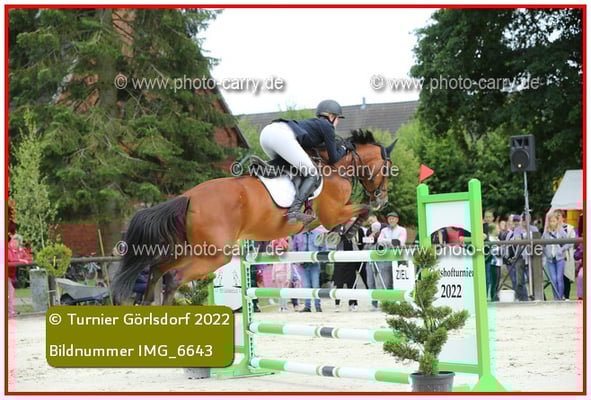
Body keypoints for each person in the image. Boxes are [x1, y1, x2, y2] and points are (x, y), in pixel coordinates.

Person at [253, 99, 348, 223]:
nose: (337, 122)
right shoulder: (327, 126)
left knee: (289, 166)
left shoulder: (313, 125)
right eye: (338, 118)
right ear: (331, 116)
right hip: (281, 135)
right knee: (313, 173)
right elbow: (333, 158)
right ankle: (294, 210)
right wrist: (344, 148)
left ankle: (260, 168)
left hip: (266, 133)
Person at [291, 226, 328, 312]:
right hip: (302, 265)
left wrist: (319, 259)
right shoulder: (298, 234)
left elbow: (323, 248)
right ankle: (307, 306)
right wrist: (297, 260)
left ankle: (318, 306)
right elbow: (294, 249)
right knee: (306, 286)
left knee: (316, 285)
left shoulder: (318, 234)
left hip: (314, 264)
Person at [333, 218, 365, 312]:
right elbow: (332, 241)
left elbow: (360, 242)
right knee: (339, 282)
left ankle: (353, 303)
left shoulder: (355, 228)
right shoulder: (336, 228)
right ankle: (337, 303)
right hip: (339, 258)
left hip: (351, 257)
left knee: (352, 282)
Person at [510, 215, 539, 301]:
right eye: (523, 220)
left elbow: (537, 239)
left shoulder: (534, 228)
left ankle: (537, 296)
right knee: (519, 279)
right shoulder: (517, 229)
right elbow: (517, 240)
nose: (525, 222)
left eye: (527, 219)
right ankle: (521, 298)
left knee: (533, 278)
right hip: (520, 255)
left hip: (532, 255)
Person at [542, 214, 570, 300]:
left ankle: (560, 297)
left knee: (559, 278)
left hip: (559, 259)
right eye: (550, 221)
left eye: (554, 221)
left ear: (557, 221)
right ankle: (555, 298)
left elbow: (568, 242)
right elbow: (541, 245)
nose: (552, 223)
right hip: (550, 260)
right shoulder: (546, 233)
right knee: (553, 279)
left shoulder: (561, 231)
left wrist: (561, 249)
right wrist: (546, 252)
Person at [555, 210, 576, 299]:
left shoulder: (569, 228)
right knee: (557, 277)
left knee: (566, 276)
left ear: (563, 217)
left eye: (559, 215)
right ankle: (558, 296)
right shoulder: (552, 228)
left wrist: (562, 248)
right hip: (555, 256)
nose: (557, 217)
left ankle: (566, 296)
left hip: (566, 256)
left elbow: (572, 241)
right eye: (556, 215)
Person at [270, 237, 292, 312]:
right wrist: (288, 278)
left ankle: (281, 307)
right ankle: (284, 307)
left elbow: (274, 267)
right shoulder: (285, 257)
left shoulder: (277, 257)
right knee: (284, 292)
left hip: (278, 275)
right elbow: (288, 268)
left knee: (280, 292)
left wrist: (273, 277)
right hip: (283, 275)